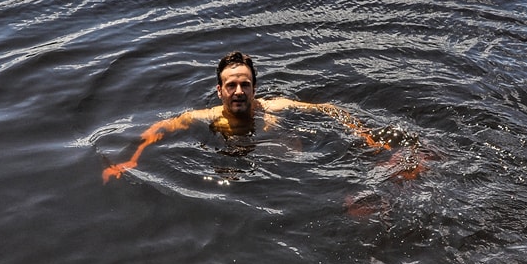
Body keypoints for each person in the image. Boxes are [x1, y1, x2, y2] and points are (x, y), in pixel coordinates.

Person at [102, 51, 392, 182]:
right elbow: (161, 127)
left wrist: (365, 136)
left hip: (292, 167)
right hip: (241, 169)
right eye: (231, 85)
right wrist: (130, 159)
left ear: (255, 88)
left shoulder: (275, 108)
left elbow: (329, 109)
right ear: (220, 91)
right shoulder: (203, 116)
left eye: (245, 84)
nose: (238, 91)